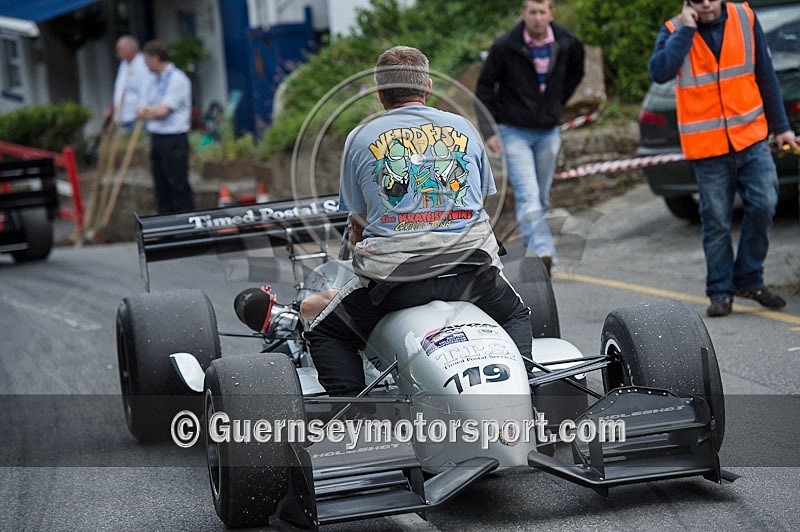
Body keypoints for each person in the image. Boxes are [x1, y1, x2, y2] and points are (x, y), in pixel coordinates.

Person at [306, 46, 533, 397]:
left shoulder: (360, 137)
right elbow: (481, 199)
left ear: (380, 94)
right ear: (427, 87)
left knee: (326, 332)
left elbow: (358, 222)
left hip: (396, 282)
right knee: (516, 315)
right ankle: (525, 390)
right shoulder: (464, 127)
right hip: (471, 271)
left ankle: (356, 410)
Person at [649, 0, 795, 317]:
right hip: (708, 148)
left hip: (751, 139)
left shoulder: (745, 17)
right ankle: (720, 290)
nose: (705, 3)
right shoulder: (674, 29)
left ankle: (749, 279)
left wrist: (782, 127)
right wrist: (686, 31)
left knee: (764, 204)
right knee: (716, 222)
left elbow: (765, 75)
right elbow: (660, 72)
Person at [475, 0, 584, 273]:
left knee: (541, 196)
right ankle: (542, 254)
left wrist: (556, 104)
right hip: (513, 130)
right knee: (528, 194)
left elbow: (576, 72)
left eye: (542, 12)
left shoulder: (567, 42)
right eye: (532, 12)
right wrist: (489, 131)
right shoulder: (505, 46)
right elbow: (484, 88)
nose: (537, 17)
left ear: (551, 14)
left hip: (548, 130)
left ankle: (535, 246)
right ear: (523, 14)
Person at [137, 39, 195, 214]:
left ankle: (185, 221)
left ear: (155, 58)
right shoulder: (151, 79)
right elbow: (140, 110)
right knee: (160, 183)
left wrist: (150, 111)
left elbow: (163, 111)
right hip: (157, 136)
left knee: (177, 182)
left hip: (174, 137)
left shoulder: (178, 79)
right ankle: (165, 221)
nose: (145, 64)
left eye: (147, 60)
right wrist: (151, 111)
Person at [105, 35, 150, 129]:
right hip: (123, 116)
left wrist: (142, 110)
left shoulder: (142, 64)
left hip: (137, 116)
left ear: (131, 49)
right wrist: (112, 108)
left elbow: (145, 90)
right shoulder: (124, 64)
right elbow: (120, 88)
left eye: (120, 49)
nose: (118, 52)